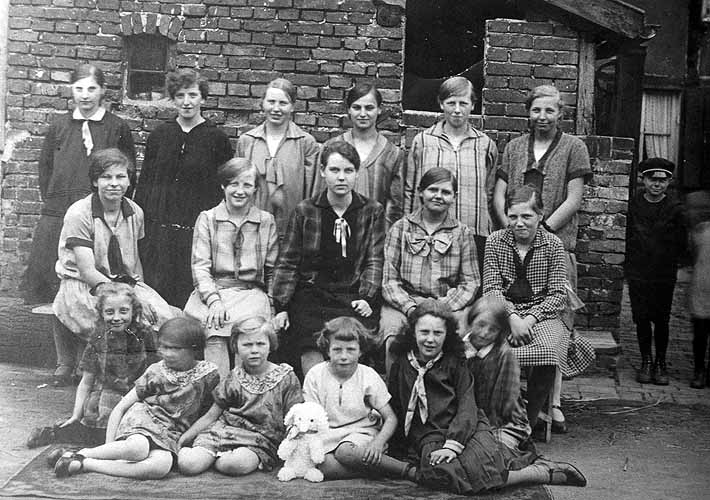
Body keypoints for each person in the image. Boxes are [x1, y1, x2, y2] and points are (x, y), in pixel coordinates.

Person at [387, 299, 586, 495]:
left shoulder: (461, 362)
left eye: (438, 333)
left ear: (446, 335)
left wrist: (458, 443)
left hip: (479, 424)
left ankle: (539, 473)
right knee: (445, 471)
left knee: (482, 463)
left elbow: (470, 406)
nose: (430, 339)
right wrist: (397, 444)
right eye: (424, 332)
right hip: (433, 433)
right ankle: (534, 470)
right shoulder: (405, 364)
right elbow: (397, 404)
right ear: (413, 332)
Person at [493, 84, 593, 431]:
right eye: (537, 110)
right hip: (517, 243)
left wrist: (543, 230)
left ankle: (554, 402)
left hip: (556, 245)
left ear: (560, 113)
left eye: (550, 111)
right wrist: (512, 227)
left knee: (559, 320)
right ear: (529, 112)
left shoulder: (573, 147)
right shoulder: (514, 147)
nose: (543, 117)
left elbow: (574, 197)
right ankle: (513, 400)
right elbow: (501, 193)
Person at [51, 148, 177, 387]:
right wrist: (129, 299)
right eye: (106, 177)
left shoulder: (134, 212)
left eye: (120, 177)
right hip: (84, 285)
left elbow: (134, 262)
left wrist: (141, 293)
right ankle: (113, 380)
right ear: (95, 181)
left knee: (164, 318)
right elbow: (88, 272)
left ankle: (152, 378)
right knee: (120, 320)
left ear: (129, 180)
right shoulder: (79, 213)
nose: (114, 184)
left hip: (125, 285)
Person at [22, 63, 136, 304]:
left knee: (92, 271)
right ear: (72, 90)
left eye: (92, 88)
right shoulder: (60, 126)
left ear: (103, 91)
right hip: (59, 207)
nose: (85, 95)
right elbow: (46, 168)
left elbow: (128, 171)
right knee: (48, 269)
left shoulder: (116, 127)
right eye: (79, 88)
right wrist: (54, 199)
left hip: (96, 210)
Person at [52, 317, 220, 479]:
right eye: (163, 347)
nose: (167, 353)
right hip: (145, 420)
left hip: (172, 432)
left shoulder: (208, 374)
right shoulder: (156, 371)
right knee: (138, 448)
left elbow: (210, 413)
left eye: (175, 348)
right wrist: (108, 447)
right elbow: (121, 407)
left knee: (161, 466)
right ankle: (83, 454)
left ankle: (85, 463)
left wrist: (189, 437)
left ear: (194, 348)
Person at [483, 185, 593, 432]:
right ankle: (493, 416)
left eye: (526, 216)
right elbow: (491, 289)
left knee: (548, 350)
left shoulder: (553, 245)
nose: (519, 223)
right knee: (483, 346)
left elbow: (557, 295)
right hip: (504, 313)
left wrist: (529, 320)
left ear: (540, 215)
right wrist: (512, 318)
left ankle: (528, 424)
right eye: (513, 217)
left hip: (541, 314)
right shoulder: (495, 241)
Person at [272, 141, 385, 377]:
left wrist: (367, 296)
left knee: (351, 337)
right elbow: (288, 260)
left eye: (348, 170)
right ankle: (314, 400)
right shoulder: (306, 210)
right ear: (323, 172)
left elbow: (374, 259)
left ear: (356, 172)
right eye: (334, 170)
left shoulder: (371, 210)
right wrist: (281, 305)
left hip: (353, 294)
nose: (341, 177)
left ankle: (348, 402)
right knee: (309, 338)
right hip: (312, 293)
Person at [133, 69, 234, 307]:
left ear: (203, 98)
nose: (186, 102)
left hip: (196, 234)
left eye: (192, 95)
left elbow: (224, 189)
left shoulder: (216, 138)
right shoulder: (160, 135)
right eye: (180, 96)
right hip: (160, 235)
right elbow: (146, 182)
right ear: (173, 99)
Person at [27, 283, 158, 449]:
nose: (116, 317)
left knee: (140, 432)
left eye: (123, 311)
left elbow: (155, 373)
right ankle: (54, 434)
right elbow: (86, 381)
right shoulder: (98, 338)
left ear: (134, 311)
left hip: (137, 395)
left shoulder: (145, 335)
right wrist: (76, 414)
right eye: (110, 312)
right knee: (97, 430)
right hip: (107, 397)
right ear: (101, 313)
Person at [183, 158, 279, 379]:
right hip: (213, 292)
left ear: (255, 189)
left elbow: (273, 270)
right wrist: (214, 301)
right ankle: (220, 397)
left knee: (249, 334)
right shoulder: (207, 218)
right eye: (234, 184)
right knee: (214, 330)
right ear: (223, 186)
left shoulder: (266, 221)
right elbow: (200, 266)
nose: (240, 191)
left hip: (250, 293)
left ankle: (245, 396)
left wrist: (273, 307)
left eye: (247, 185)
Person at [381, 168, 479, 375]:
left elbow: (471, 282)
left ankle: (448, 394)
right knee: (393, 335)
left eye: (445, 192)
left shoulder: (462, 233)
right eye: (432, 190)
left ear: (454, 197)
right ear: (420, 192)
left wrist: (444, 307)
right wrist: (409, 307)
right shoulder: (400, 228)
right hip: (405, 303)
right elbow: (389, 281)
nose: (438, 196)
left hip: (447, 303)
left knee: (460, 338)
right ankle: (396, 395)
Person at [177, 317, 303, 476]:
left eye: (261, 344)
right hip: (223, 432)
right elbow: (211, 415)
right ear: (236, 347)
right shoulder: (234, 377)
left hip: (259, 441)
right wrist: (185, 437)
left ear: (271, 345)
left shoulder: (286, 377)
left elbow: (295, 419)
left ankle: (221, 461)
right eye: (247, 345)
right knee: (188, 464)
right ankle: (206, 456)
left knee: (234, 465)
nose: (254, 350)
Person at [404, 76, 497, 269]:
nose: (457, 109)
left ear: (473, 105)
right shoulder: (423, 142)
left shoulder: (485, 145)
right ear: (441, 104)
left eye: (463, 103)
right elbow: (410, 190)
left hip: (474, 233)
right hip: (430, 234)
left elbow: (489, 192)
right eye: (451, 103)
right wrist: (409, 230)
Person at [302, 317, 402, 479]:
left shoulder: (367, 376)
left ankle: (407, 471)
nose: (344, 356)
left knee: (345, 451)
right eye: (337, 350)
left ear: (361, 350)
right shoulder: (315, 375)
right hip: (328, 435)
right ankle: (380, 469)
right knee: (324, 466)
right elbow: (311, 418)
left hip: (361, 433)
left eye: (350, 349)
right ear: (327, 350)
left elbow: (390, 418)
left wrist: (378, 443)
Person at [624, 158, 686, 385]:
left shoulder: (675, 209)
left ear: (669, 181)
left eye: (663, 180)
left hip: (663, 272)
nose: (657, 185)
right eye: (652, 179)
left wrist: (671, 260)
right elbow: (628, 236)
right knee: (641, 318)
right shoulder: (634, 205)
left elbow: (681, 241)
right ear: (643, 180)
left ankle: (660, 363)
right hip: (639, 271)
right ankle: (646, 361)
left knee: (661, 319)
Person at [236, 78, 320, 241]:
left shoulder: (306, 143)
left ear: (292, 107)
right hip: (251, 232)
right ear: (263, 104)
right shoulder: (247, 141)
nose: (276, 108)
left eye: (283, 103)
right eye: (271, 102)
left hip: (292, 233)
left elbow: (313, 193)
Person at [464, 296, 536, 469]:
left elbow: (506, 402)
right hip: (469, 420)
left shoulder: (505, 355)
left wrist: (485, 434)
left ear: (501, 332)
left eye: (493, 329)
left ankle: (538, 472)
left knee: (490, 458)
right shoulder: (460, 351)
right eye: (480, 325)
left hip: (502, 421)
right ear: (470, 321)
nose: (485, 333)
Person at [323, 83, 404, 228]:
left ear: (379, 109)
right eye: (356, 107)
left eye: (369, 108)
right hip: (334, 233)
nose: (362, 114)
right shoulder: (331, 147)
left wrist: (382, 234)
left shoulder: (393, 153)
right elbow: (320, 195)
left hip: (375, 236)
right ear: (348, 110)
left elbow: (395, 204)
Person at [687, 190, 710, 388]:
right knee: (700, 334)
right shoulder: (701, 231)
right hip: (703, 287)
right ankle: (699, 370)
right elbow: (692, 255)